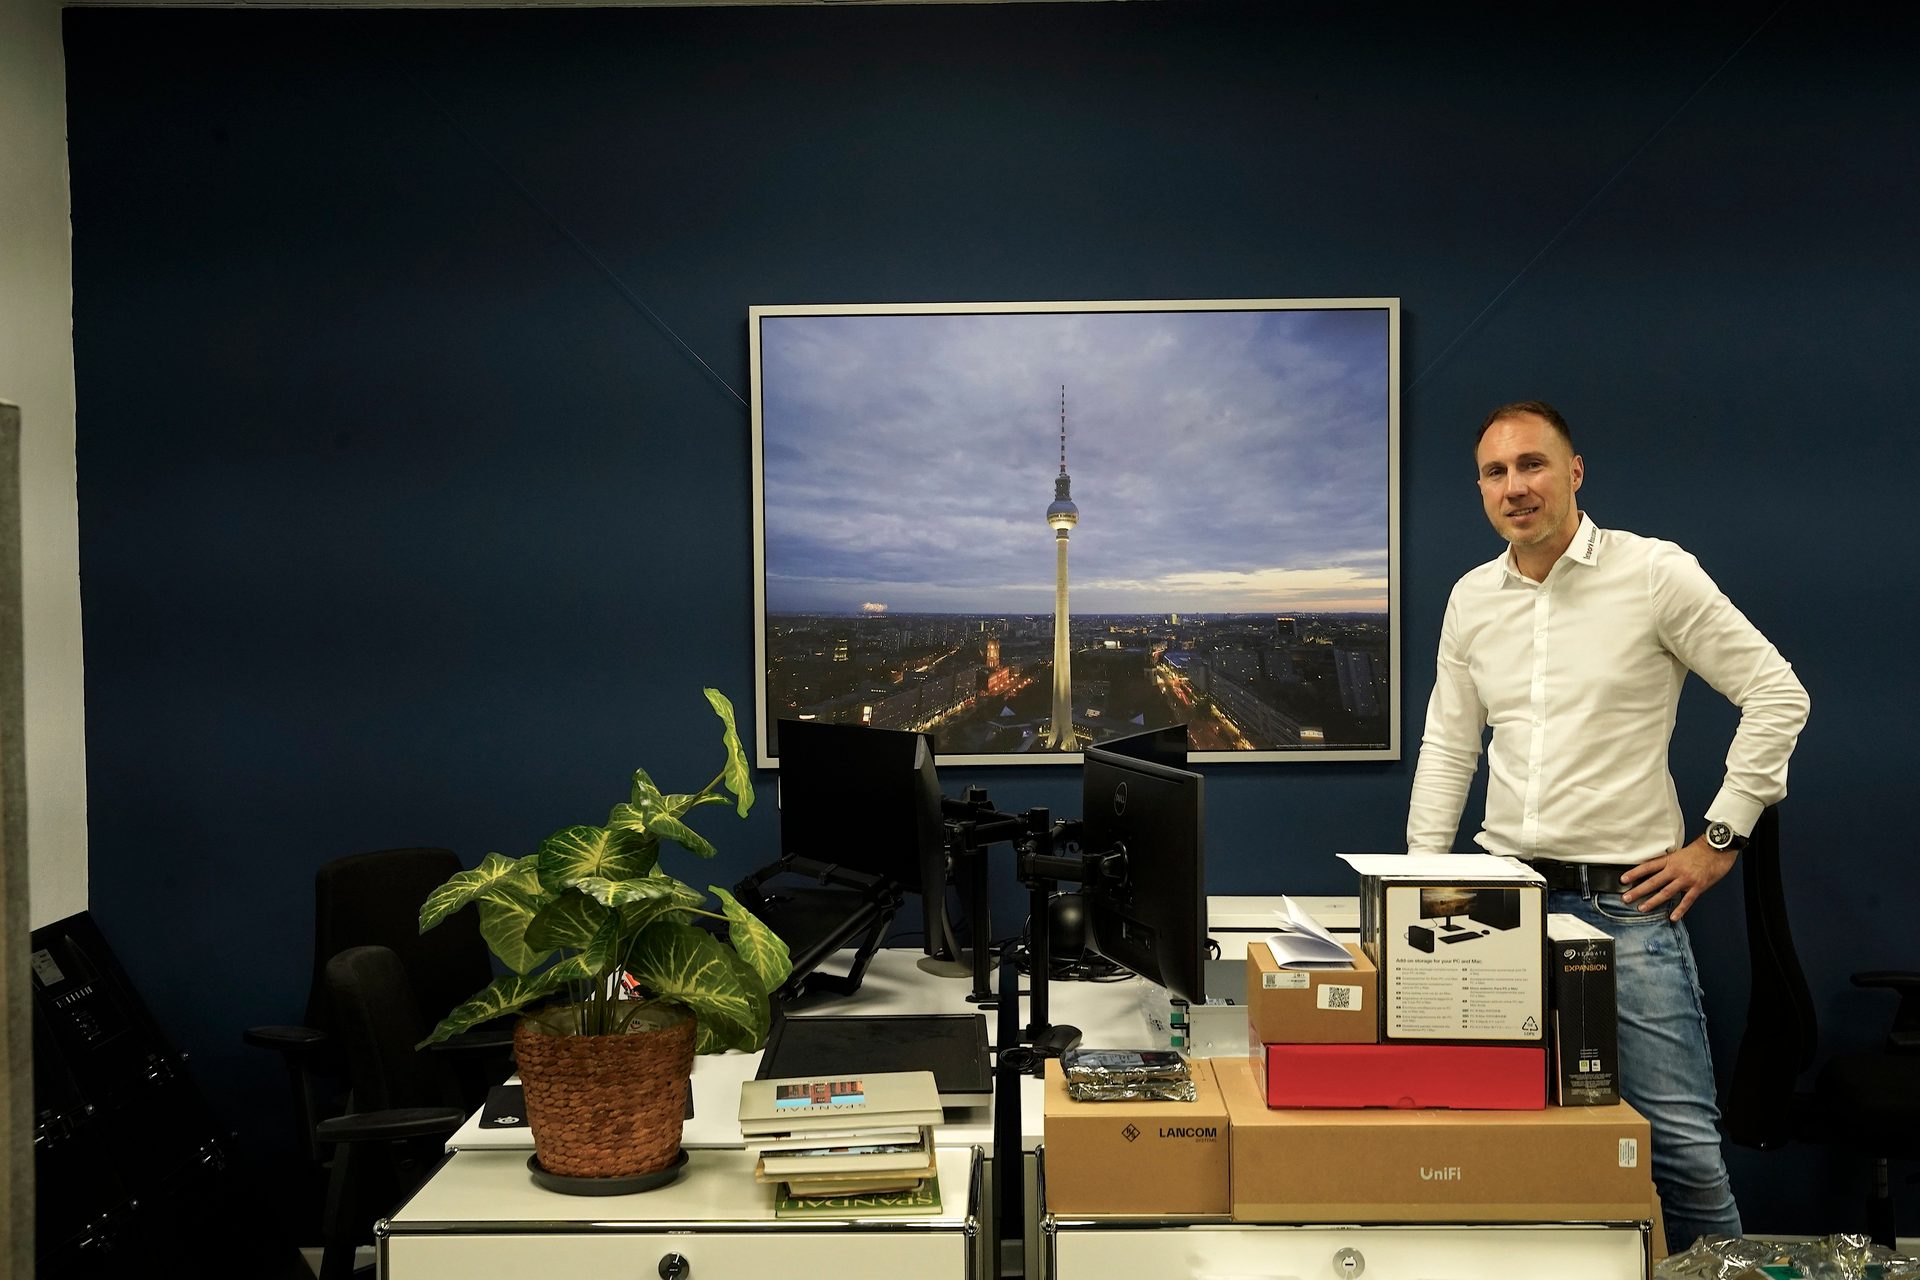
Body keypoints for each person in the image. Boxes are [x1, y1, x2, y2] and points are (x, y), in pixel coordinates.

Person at [1406, 400, 1809, 1252]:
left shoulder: (1654, 573)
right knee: (1491, 1146)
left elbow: (1778, 694)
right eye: (1495, 472)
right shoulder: (1472, 599)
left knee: (1683, 1156)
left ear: (1575, 471)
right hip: (1494, 904)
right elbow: (1448, 746)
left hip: (1623, 905)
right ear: (1480, 488)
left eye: (1532, 464)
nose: (1515, 487)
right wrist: (1416, 879)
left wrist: (1720, 839)